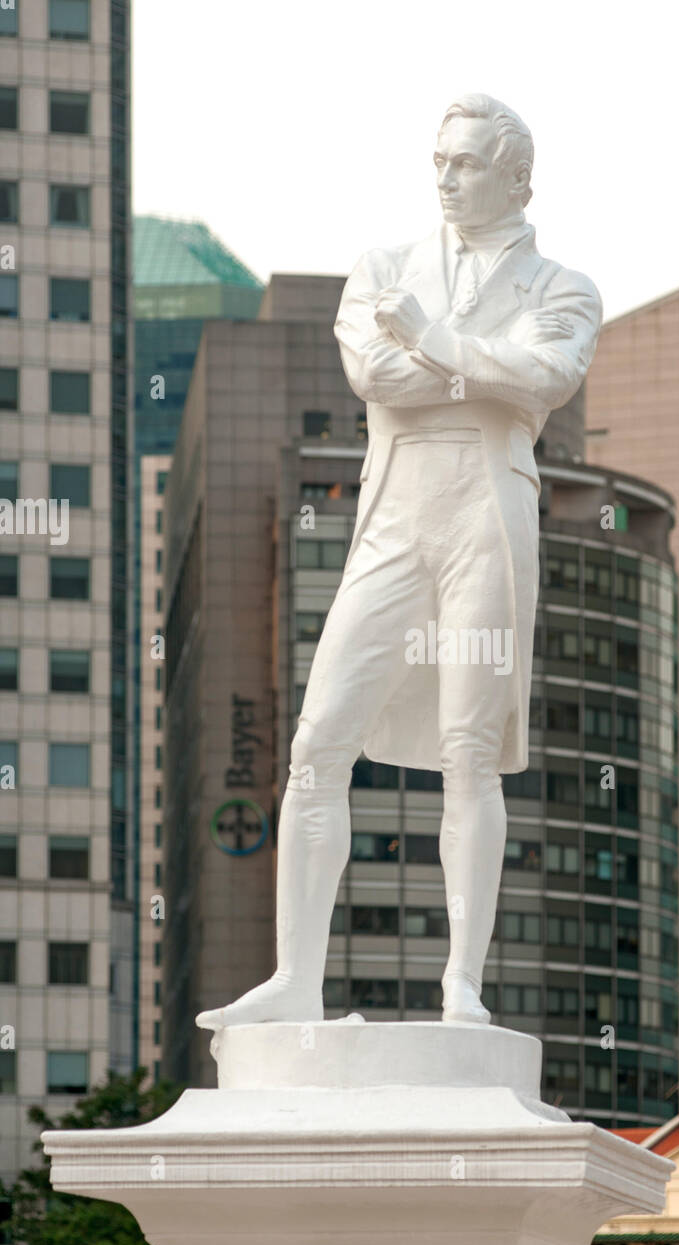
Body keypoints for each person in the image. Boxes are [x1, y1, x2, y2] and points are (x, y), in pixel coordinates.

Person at [197, 93, 602, 1032]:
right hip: (393, 512)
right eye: (440, 162)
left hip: (487, 517)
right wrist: (471, 365)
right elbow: (371, 378)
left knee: (470, 754)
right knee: (314, 742)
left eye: (464, 163)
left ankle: (462, 981)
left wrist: (428, 339)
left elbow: (544, 379)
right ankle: (296, 977)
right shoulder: (384, 267)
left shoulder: (562, 286)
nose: (446, 178)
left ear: (516, 177)